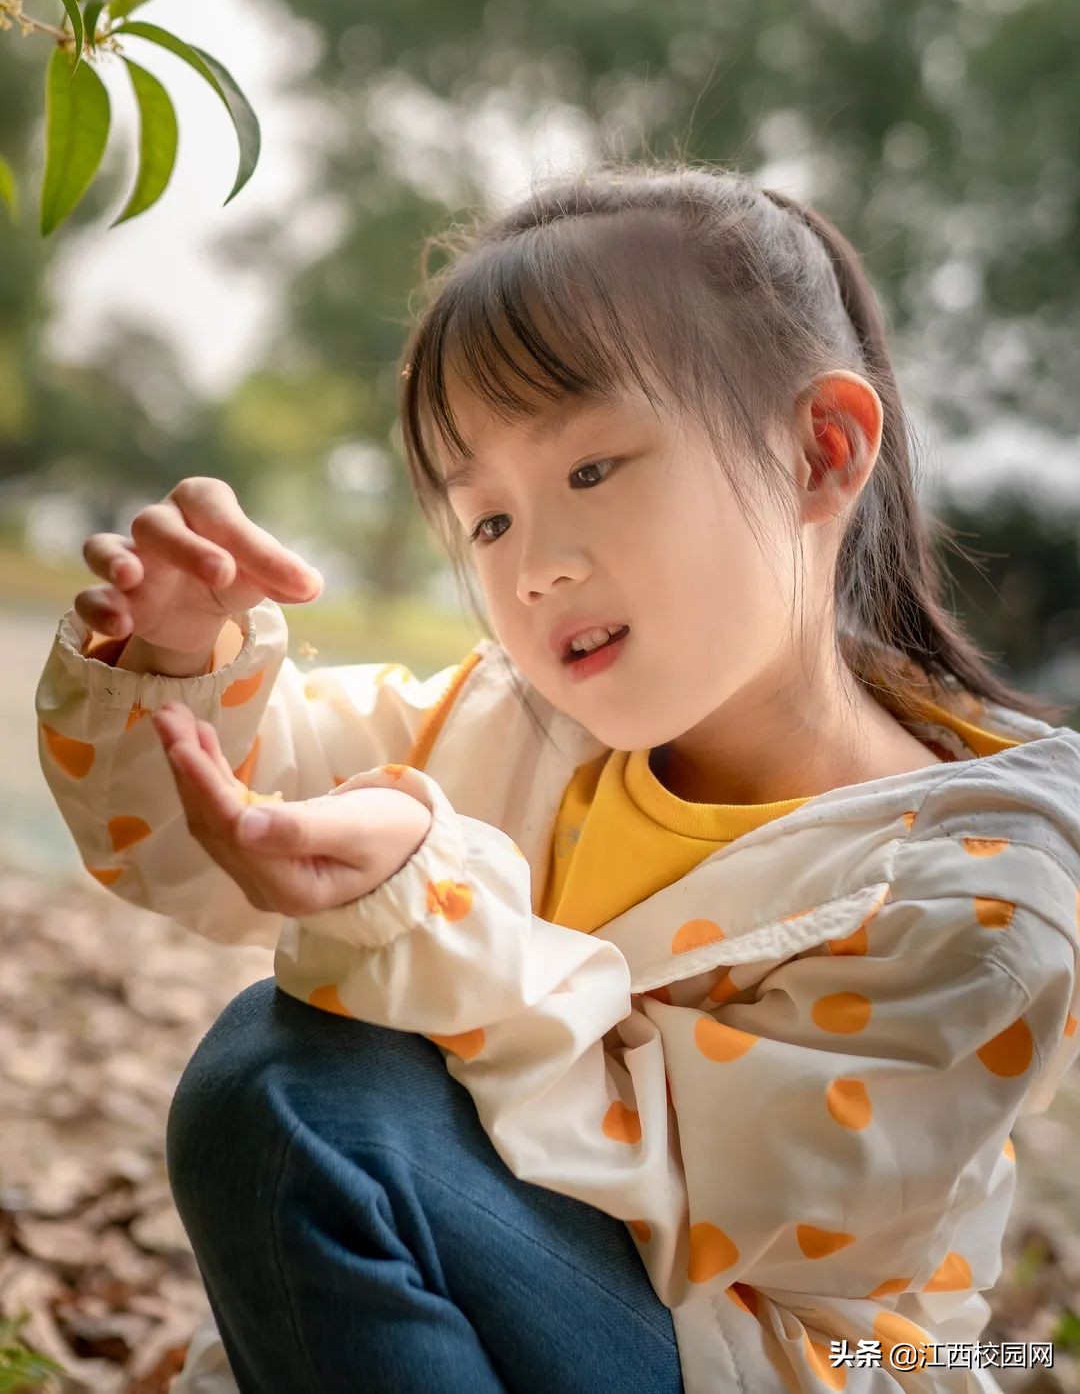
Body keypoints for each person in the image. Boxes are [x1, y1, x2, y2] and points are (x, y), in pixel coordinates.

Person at [34, 162, 1080, 1394]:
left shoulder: (977, 900)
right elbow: (215, 819)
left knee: (295, 1091)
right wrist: (178, 654)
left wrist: (426, 900)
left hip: (784, 1360)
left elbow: (682, 1187)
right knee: (287, 1084)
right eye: (487, 520)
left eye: (589, 471)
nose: (529, 568)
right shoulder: (513, 722)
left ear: (819, 450)